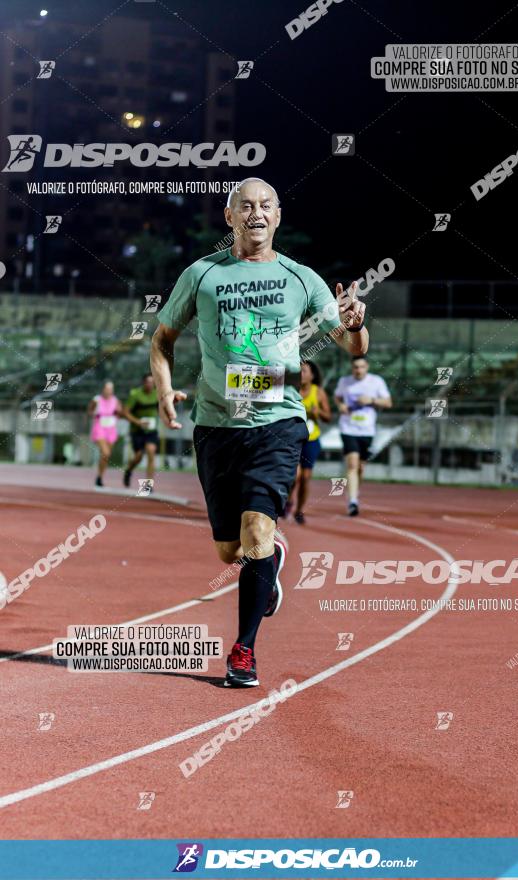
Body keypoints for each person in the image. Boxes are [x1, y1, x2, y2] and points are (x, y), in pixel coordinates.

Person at [151, 177, 369, 687]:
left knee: (256, 529)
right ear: (229, 218)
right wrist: (164, 390)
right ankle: (267, 563)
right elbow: (162, 341)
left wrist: (355, 322)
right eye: (245, 205)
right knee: (230, 549)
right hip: (215, 427)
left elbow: (353, 348)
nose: (256, 213)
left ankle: (243, 651)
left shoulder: (302, 278)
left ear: (277, 216)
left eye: (266, 205)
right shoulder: (201, 274)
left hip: (278, 422)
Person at [335, 355, 391, 516]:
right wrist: (341, 406)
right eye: (355, 367)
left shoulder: (376, 382)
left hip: (367, 430)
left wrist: (372, 400)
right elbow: (337, 397)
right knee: (352, 464)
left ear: (367, 367)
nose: (358, 370)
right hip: (348, 428)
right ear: (351, 368)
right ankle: (352, 501)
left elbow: (388, 402)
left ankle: (355, 494)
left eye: (361, 367)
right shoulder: (344, 382)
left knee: (360, 467)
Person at [286, 360, 331, 524]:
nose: (301, 374)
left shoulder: (318, 392)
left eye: (304, 371)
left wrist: (317, 411)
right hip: (293, 439)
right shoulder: (290, 390)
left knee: (305, 477)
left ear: (312, 375)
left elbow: (328, 417)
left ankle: (299, 510)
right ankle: (289, 501)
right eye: (299, 371)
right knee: (294, 476)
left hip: (311, 440)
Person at [122, 373, 160, 489]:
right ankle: (128, 470)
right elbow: (125, 412)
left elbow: (161, 408)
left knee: (151, 452)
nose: (150, 384)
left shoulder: (157, 394)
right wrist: (138, 422)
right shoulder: (135, 395)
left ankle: (147, 486)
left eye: (152, 382)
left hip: (151, 430)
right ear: (143, 383)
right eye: (148, 382)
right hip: (137, 430)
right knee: (138, 456)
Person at [88, 381, 122, 487]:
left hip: (111, 429)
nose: (108, 391)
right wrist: (94, 413)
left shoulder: (115, 400)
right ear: (103, 389)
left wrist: (118, 412)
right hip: (100, 427)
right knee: (105, 452)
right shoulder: (96, 399)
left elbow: (120, 412)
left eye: (111, 389)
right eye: (107, 389)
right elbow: (89, 411)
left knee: (106, 456)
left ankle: (100, 476)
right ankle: (99, 476)